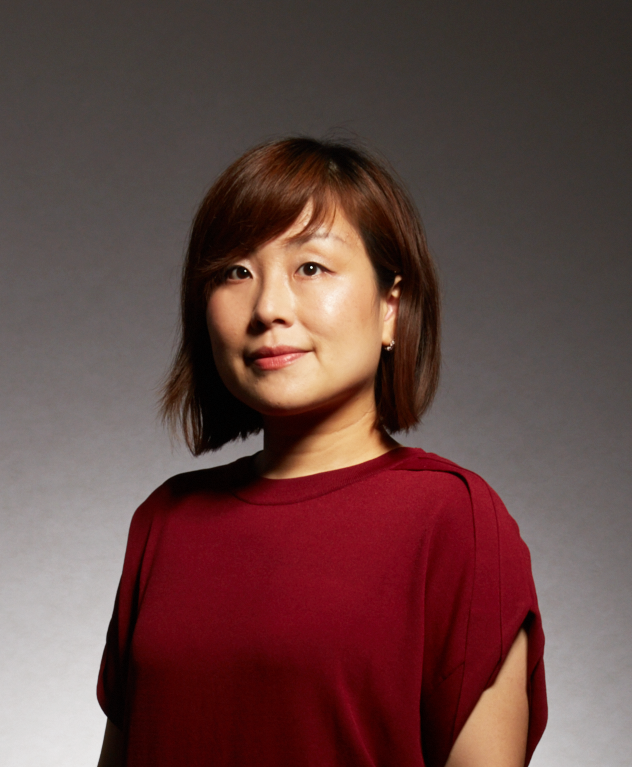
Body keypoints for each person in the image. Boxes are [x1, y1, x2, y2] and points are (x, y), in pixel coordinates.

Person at [96, 137, 546, 767]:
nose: (268, 308)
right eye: (235, 272)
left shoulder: (453, 521)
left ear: (391, 308)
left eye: (311, 267)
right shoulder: (164, 522)